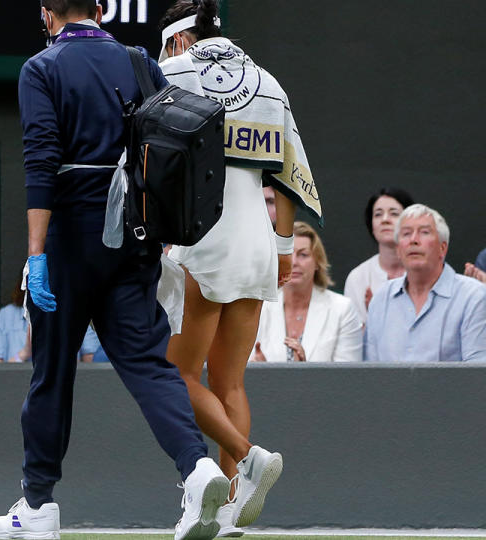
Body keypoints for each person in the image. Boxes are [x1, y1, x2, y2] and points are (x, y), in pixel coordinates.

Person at [0, 2, 230, 539]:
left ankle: (38, 506)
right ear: (99, 9)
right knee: (149, 363)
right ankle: (197, 467)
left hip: (70, 235)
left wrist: (35, 256)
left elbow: (40, 159)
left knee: (52, 372)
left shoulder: (41, 68)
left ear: (46, 12)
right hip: (136, 234)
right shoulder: (140, 59)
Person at [157, 0, 324, 534]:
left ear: (180, 40)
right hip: (256, 243)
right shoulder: (267, 81)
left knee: (172, 374)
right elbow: (289, 172)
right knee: (229, 383)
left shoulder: (170, 75)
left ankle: (248, 456)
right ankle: (228, 509)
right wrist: (281, 246)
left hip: (203, 242)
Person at [365, 204, 486, 362]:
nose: (413, 240)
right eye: (406, 233)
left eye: (424, 232)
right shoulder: (381, 300)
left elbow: (476, 375)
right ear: (398, 251)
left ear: (443, 248)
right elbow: (369, 373)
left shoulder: (473, 297)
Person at [251, 223, 362, 363]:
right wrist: (259, 370)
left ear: (317, 262)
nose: (294, 262)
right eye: (287, 254)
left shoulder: (342, 309)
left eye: (303, 255)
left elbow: (348, 378)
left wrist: (305, 372)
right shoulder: (259, 308)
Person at [0, 276, 101, 363]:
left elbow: (91, 365)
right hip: (15, 389)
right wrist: (25, 352)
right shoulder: (8, 314)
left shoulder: (77, 313)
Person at [343, 187, 415, 323]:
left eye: (394, 214)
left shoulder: (422, 271)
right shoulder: (358, 278)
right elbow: (354, 338)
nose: (385, 220)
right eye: (378, 214)